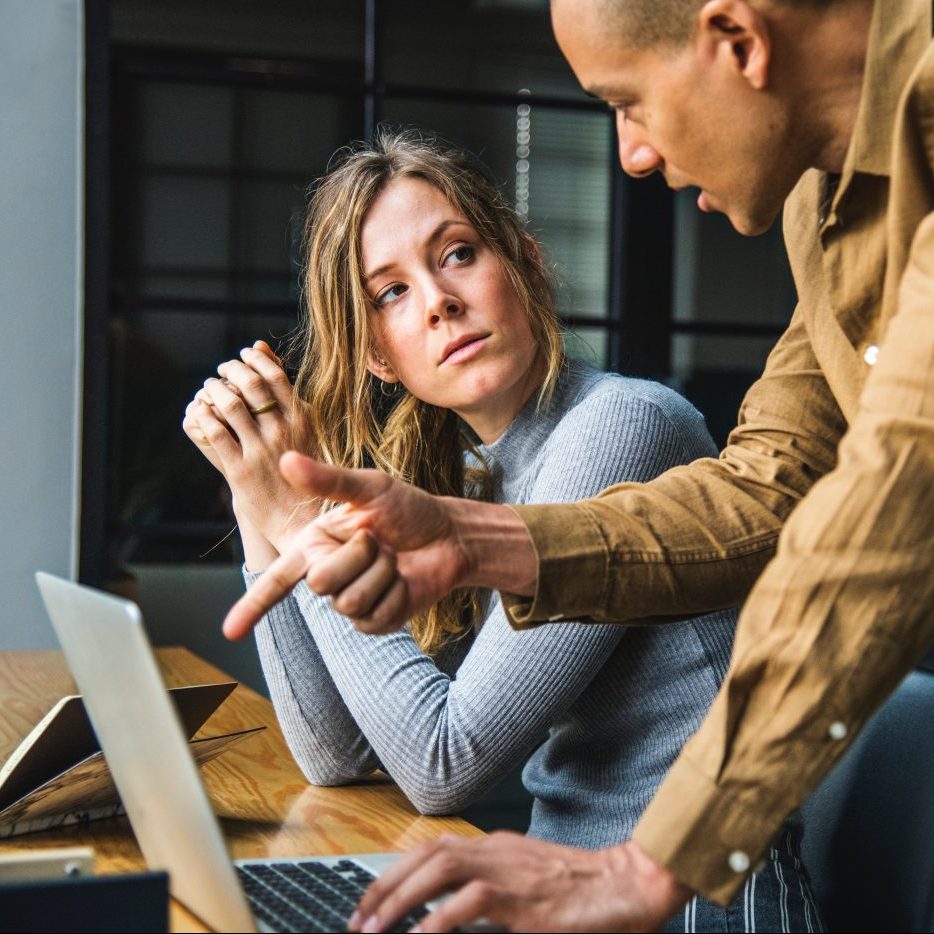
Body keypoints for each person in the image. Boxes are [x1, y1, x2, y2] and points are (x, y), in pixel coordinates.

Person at [224, 0, 934, 929]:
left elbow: (887, 508)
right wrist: (472, 536)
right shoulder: (827, 201)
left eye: (626, 100)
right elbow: (773, 487)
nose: (631, 154)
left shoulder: (619, 419)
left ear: (737, 43)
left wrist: (653, 865)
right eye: (392, 293)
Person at [184, 130, 820, 932]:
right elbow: (335, 756)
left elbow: (440, 763)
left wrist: (300, 521)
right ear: (380, 357)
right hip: (563, 896)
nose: (439, 302)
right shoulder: (473, 471)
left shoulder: (622, 426)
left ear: (526, 262)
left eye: (456, 255)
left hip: (694, 905)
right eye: (390, 294)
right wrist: (257, 498)